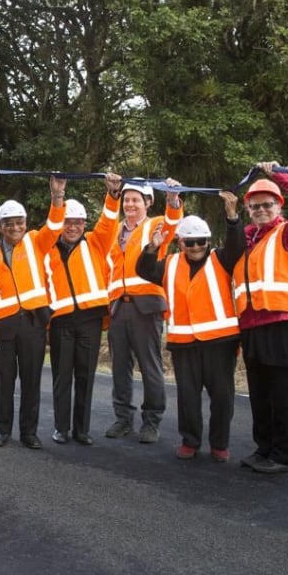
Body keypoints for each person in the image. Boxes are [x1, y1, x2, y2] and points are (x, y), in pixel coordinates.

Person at [135, 193, 244, 462]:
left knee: (222, 396)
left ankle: (219, 444)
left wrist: (232, 218)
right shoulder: (170, 263)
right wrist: (152, 247)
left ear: (208, 241)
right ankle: (190, 441)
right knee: (188, 396)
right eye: (190, 242)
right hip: (184, 343)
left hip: (221, 341)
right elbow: (143, 270)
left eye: (201, 242)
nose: (196, 247)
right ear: (181, 242)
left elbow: (237, 245)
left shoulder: (221, 259)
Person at [233, 161, 288, 474]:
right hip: (252, 328)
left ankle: (284, 455)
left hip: (282, 324)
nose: (260, 210)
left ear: (278, 205)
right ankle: (264, 449)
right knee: (259, 395)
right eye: (254, 206)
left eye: (267, 205)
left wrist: (279, 175)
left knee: (283, 394)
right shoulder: (245, 242)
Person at [0, 174, 67, 449]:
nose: (15, 227)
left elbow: (55, 224)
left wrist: (57, 196)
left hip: (32, 323)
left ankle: (29, 432)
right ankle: (3, 430)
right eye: (9, 223)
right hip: (2, 326)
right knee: (5, 380)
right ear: (0, 226)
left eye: (20, 222)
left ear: (25, 224)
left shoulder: (37, 242)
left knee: (31, 379)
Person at [42, 174, 121, 446]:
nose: (73, 227)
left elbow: (109, 221)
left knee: (85, 376)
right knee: (62, 377)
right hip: (61, 322)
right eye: (68, 222)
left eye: (78, 222)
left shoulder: (96, 243)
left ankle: (81, 429)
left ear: (84, 224)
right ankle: (60, 428)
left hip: (90, 320)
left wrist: (112, 195)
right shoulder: (47, 249)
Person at [104, 177, 184, 444]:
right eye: (126, 200)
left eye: (136, 200)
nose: (130, 204)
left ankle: (151, 422)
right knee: (119, 367)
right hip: (118, 307)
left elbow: (173, 222)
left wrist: (173, 199)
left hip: (146, 306)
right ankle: (123, 418)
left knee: (150, 366)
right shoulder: (115, 231)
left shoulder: (155, 224)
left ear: (148, 203)